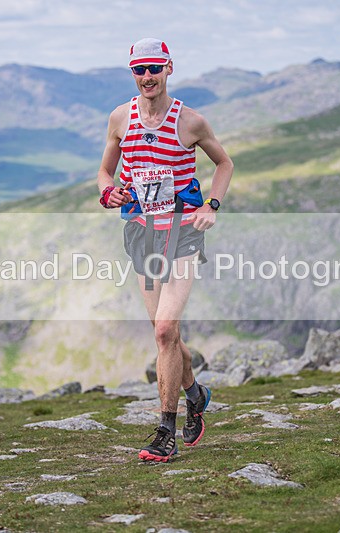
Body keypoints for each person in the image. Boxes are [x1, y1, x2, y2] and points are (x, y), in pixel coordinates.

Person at [97, 38, 233, 462]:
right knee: (166, 333)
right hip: (142, 233)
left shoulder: (190, 122)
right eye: (139, 69)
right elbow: (105, 173)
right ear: (132, 73)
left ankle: (165, 432)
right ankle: (196, 395)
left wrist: (211, 205)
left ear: (169, 68)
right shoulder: (120, 118)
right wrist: (109, 194)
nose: (147, 76)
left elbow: (224, 164)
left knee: (163, 331)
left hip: (182, 232)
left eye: (154, 67)